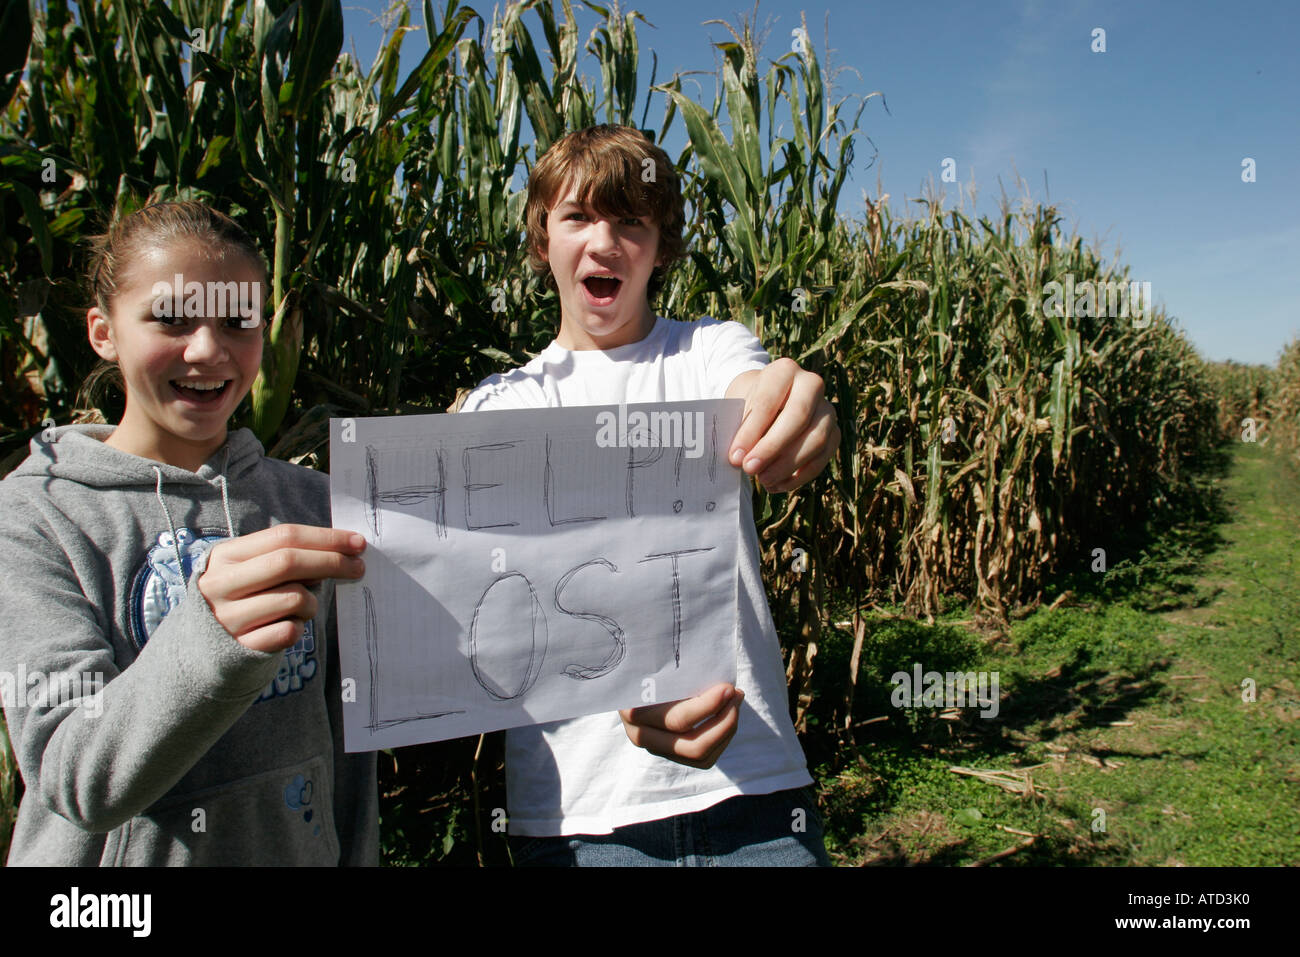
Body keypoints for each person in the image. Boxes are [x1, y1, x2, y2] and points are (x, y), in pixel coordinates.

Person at [459, 125, 840, 865]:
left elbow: (755, 391)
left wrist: (796, 406)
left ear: (662, 247)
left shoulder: (708, 352)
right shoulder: (496, 407)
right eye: (577, 218)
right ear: (544, 243)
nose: (604, 243)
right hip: (579, 822)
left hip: (756, 801)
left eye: (631, 221)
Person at [0, 202, 377, 865]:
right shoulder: (36, 516)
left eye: (239, 321)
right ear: (102, 332)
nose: (207, 349)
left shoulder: (312, 504)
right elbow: (73, 775)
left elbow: (345, 745)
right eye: (171, 318)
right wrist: (210, 635)